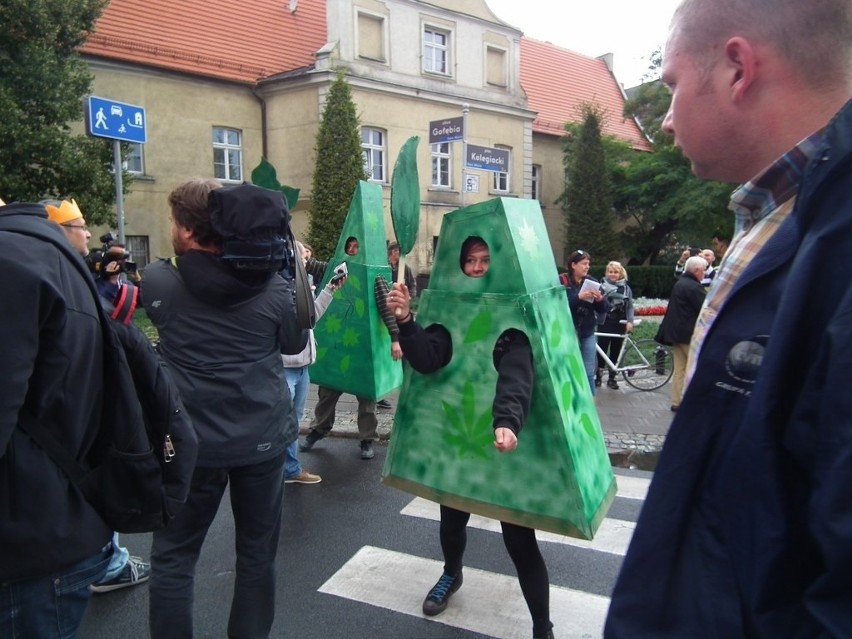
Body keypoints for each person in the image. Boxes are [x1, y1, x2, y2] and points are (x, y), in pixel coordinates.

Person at [605, 1, 852, 636]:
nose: (662, 121)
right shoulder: (785, 215)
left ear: (737, 69)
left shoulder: (827, 236)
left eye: (672, 86)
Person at [142, 178, 306, 638]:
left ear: (191, 233)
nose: (171, 229)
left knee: (174, 559)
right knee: (256, 557)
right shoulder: (274, 289)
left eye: (175, 222)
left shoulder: (160, 282)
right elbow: (293, 343)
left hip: (190, 445)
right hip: (262, 439)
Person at [387, 236, 554, 639]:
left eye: (485, 259)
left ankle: (541, 626)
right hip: (459, 441)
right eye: (470, 261)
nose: (477, 268)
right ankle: (451, 573)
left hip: (504, 443)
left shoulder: (513, 327)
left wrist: (508, 421)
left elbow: (517, 374)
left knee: (520, 540)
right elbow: (428, 358)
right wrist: (408, 322)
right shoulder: (452, 316)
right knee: (451, 519)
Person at [1, 197, 113, 636]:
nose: (87, 233)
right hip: (56, 516)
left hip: (26, 534)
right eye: (80, 224)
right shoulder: (45, 257)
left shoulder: (11, 263)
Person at [44, 200, 153, 594]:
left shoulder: (63, 268)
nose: (87, 233)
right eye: (79, 226)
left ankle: (107, 559)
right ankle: (104, 565)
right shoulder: (58, 271)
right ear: (59, 230)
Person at [300, 235, 403, 460]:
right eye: (351, 246)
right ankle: (318, 430)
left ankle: (367, 439)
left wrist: (395, 337)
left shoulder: (375, 276)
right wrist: (302, 257)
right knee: (327, 392)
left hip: (363, 349)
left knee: (367, 397)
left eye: (358, 246)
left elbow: (386, 308)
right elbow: (317, 267)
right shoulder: (338, 268)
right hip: (339, 346)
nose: (354, 250)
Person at [282, 241, 346, 485]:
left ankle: (289, 470)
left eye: (306, 258)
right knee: (283, 421)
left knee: (294, 421)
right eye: (302, 257)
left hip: (303, 368)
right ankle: (275, 471)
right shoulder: (278, 286)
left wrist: (330, 288)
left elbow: (312, 318)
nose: (306, 261)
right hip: (285, 368)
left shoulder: (302, 285)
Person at [653, 255, 705, 411]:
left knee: (679, 370)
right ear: (696, 270)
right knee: (693, 369)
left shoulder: (680, 283)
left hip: (676, 334)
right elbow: (705, 308)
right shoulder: (694, 287)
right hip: (689, 335)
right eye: (703, 270)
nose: (704, 273)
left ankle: (676, 402)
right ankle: (690, 402)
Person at [562, 250, 608, 394]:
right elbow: (559, 305)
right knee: (568, 370)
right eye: (584, 264)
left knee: (589, 372)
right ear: (573, 265)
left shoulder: (592, 281)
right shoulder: (562, 281)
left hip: (587, 332)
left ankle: (590, 407)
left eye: (588, 264)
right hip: (568, 333)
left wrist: (600, 300)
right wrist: (579, 297)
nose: (587, 267)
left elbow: (603, 308)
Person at [378, 241, 417, 409]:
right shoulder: (384, 267)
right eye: (398, 252)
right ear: (392, 252)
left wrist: (409, 297)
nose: (400, 255)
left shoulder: (404, 268)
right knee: (386, 354)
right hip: (385, 315)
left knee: (406, 348)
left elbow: (412, 284)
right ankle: (381, 393)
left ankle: (406, 387)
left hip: (401, 312)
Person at [595, 261, 635, 389]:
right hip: (605, 321)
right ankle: (598, 376)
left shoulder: (626, 288)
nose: (613, 274)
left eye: (616, 272)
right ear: (607, 273)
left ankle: (612, 377)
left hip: (620, 322)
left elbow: (629, 307)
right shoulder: (601, 286)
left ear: (621, 273)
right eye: (610, 272)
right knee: (602, 349)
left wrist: (630, 321)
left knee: (616, 350)